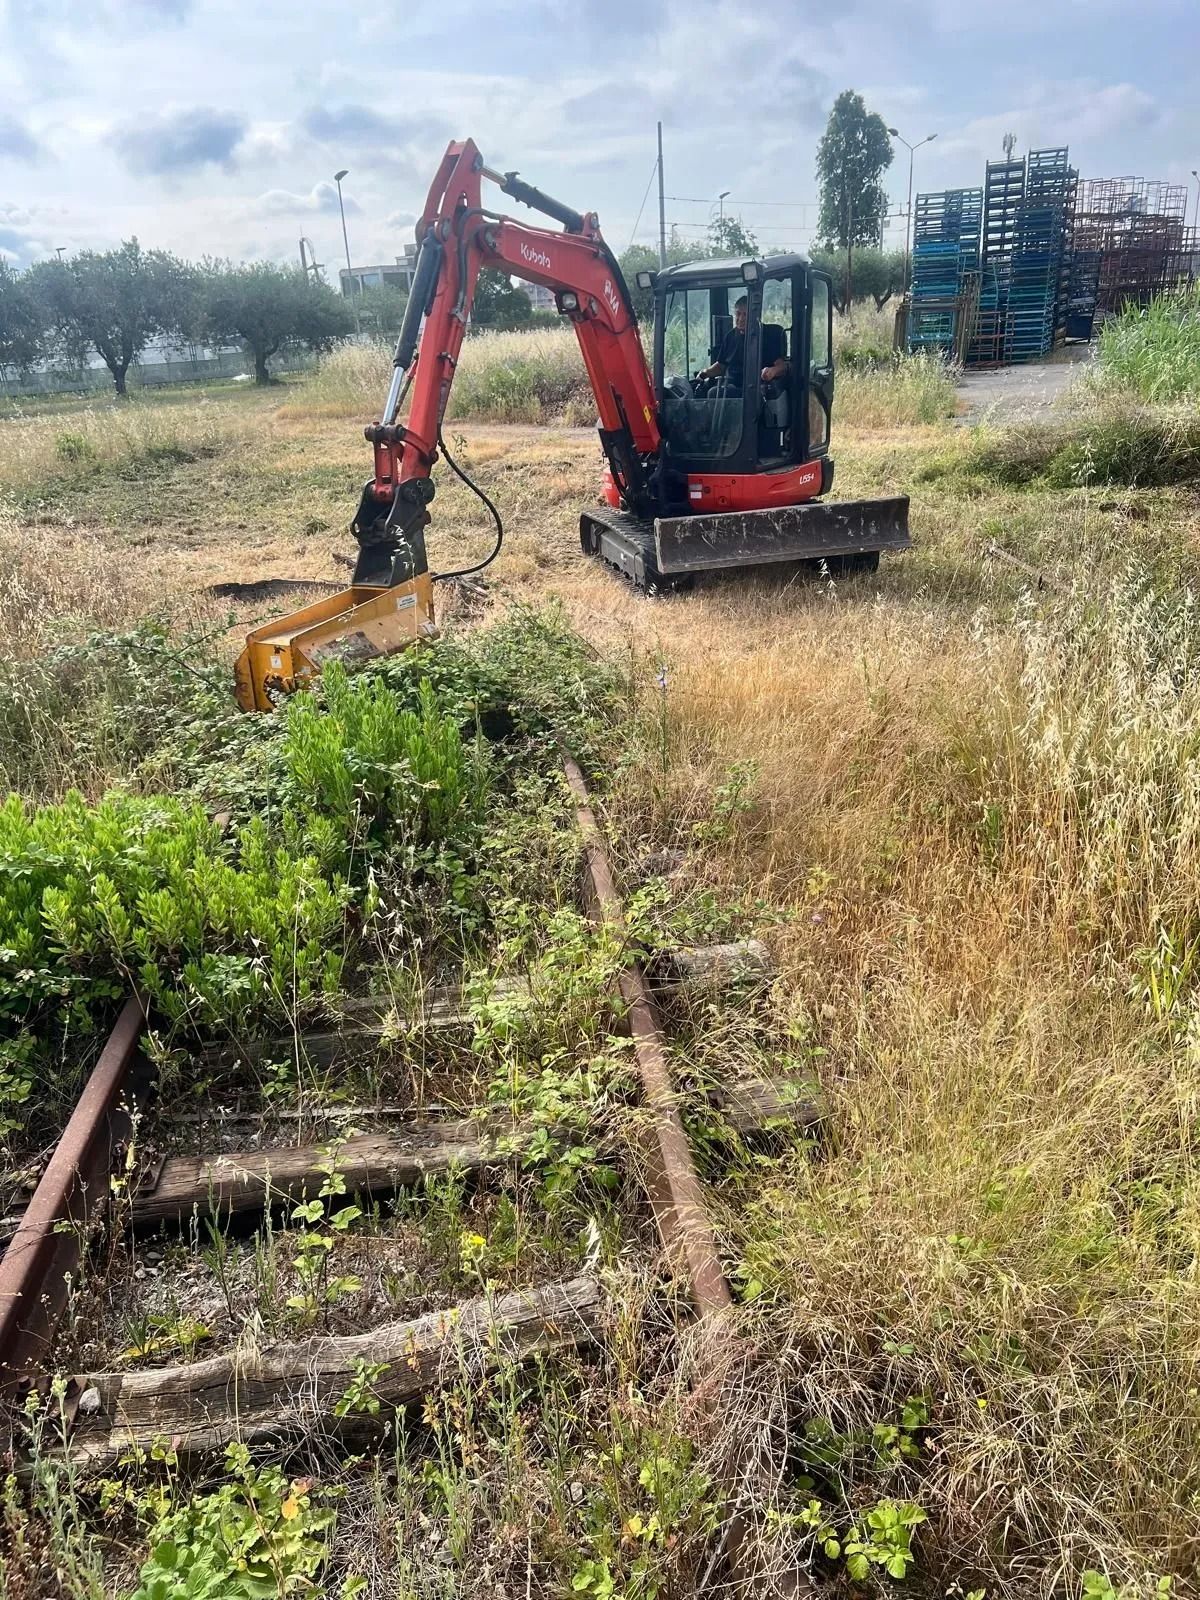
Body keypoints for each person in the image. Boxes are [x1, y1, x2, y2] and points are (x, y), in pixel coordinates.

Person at [698, 295, 789, 389]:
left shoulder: (769, 335)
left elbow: (782, 367)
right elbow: (721, 366)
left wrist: (772, 371)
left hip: (758, 390)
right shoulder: (730, 336)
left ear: (755, 315)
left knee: (713, 393)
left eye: (745, 314)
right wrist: (705, 372)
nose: (741, 319)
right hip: (732, 387)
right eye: (738, 314)